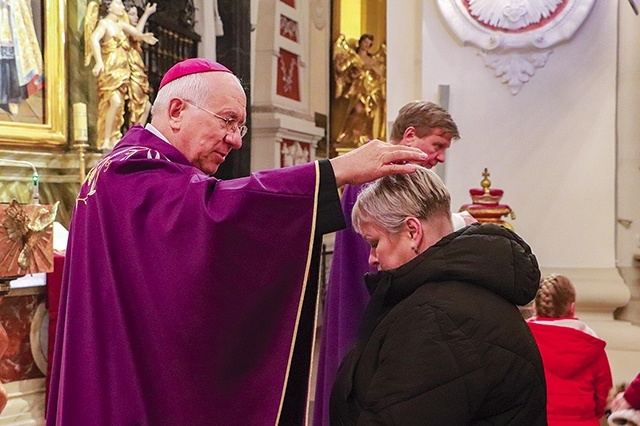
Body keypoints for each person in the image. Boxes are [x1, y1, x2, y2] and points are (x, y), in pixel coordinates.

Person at [45, 58, 431, 426]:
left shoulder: (124, 172)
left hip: (118, 377)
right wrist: (334, 171)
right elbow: (216, 214)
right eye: (227, 121)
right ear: (177, 110)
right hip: (126, 390)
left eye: (241, 127)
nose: (235, 140)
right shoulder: (133, 173)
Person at [329, 167, 546, 424]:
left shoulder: (436, 320)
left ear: (412, 231)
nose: (371, 258)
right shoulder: (453, 294)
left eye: (375, 242)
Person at [313, 100, 466, 426]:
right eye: (437, 145)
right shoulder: (377, 179)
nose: (440, 157)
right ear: (410, 135)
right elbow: (388, 259)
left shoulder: (383, 176)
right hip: (369, 311)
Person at [527, 274, 613, 425]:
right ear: (572, 307)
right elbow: (603, 397)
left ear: (535, 306)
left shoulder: (523, 339)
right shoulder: (590, 344)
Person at [84, 0, 157, 150]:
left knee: (121, 104)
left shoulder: (120, 25)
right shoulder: (104, 23)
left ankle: (113, 137)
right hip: (110, 68)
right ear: (109, 6)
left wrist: (144, 37)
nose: (122, 7)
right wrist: (98, 62)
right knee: (114, 102)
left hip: (122, 70)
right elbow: (93, 39)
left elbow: (136, 33)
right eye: (119, 4)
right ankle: (105, 139)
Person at [333, 33, 386, 148]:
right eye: (365, 42)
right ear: (360, 42)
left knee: (369, 114)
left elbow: (381, 74)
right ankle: (348, 135)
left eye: (369, 44)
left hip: (371, 90)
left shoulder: (372, 59)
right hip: (358, 88)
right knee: (357, 110)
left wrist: (371, 67)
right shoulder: (353, 57)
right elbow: (340, 69)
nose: (366, 45)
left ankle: (365, 136)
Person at [124, 2, 156, 126]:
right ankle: (134, 134)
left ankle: (137, 133)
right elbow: (137, 35)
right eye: (132, 14)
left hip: (137, 69)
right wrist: (146, 14)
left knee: (146, 105)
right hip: (130, 70)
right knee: (139, 104)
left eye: (136, 15)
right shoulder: (123, 31)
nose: (135, 17)